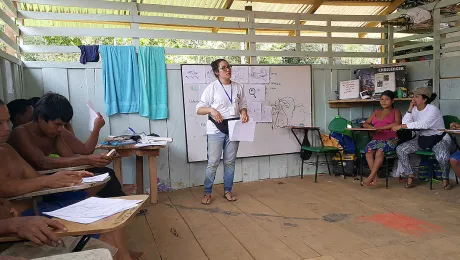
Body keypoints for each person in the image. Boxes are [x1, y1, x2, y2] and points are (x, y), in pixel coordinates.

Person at [0, 99, 144, 260]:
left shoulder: (7, 149)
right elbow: (37, 167)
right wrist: (51, 179)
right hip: (31, 209)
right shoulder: (20, 133)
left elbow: (38, 175)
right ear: (41, 119)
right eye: (0, 123)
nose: (7, 128)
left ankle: (124, 254)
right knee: (102, 221)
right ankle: (122, 255)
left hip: (39, 199)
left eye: (7, 121)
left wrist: (67, 174)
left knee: (105, 203)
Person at [8, 93, 133, 198]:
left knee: (106, 173)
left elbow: (70, 158)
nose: (61, 129)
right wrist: (88, 159)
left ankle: (117, 208)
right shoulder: (21, 133)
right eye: (57, 124)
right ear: (41, 119)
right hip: (32, 185)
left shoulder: (54, 134)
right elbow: (42, 162)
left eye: (63, 125)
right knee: (100, 179)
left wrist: (100, 159)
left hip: (51, 175)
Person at [196, 59, 248, 205]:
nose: (228, 70)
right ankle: (207, 193)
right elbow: (199, 109)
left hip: (234, 127)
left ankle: (228, 191)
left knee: (230, 162)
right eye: (224, 68)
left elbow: (243, 104)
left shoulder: (238, 87)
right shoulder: (212, 88)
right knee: (213, 163)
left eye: (229, 67)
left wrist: (244, 112)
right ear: (217, 72)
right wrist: (211, 110)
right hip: (215, 129)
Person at [391, 87, 455, 189]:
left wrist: (402, 126)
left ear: (424, 100)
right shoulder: (415, 110)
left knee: (442, 157)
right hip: (423, 139)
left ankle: (445, 179)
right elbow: (406, 123)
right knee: (400, 149)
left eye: (417, 97)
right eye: (413, 96)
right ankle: (410, 175)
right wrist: (409, 109)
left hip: (439, 138)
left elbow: (424, 124)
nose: (414, 99)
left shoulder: (432, 109)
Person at [361, 90, 401, 186]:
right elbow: (365, 123)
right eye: (382, 99)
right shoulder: (376, 112)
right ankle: (375, 177)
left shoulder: (396, 112)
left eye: (387, 99)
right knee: (369, 151)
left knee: (380, 151)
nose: (383, 102)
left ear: (392, 101)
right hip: (376, 139)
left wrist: (381, 128)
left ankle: (371, 177)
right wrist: (370, 127)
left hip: (391, 139)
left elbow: (397, 123)